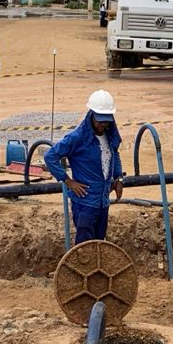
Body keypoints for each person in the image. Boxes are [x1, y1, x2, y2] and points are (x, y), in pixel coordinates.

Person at [44, 90, 124, 243]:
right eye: (100, 121)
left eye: (106, 121)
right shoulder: (77, 138)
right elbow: (50, 156)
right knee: (85, 246)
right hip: (85, 203)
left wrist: (118, 178)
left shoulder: (109, 136)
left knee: (99, 243)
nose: (103, 125)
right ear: (91, 115)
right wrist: (68, 181)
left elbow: (115, 153)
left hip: (102, 201)